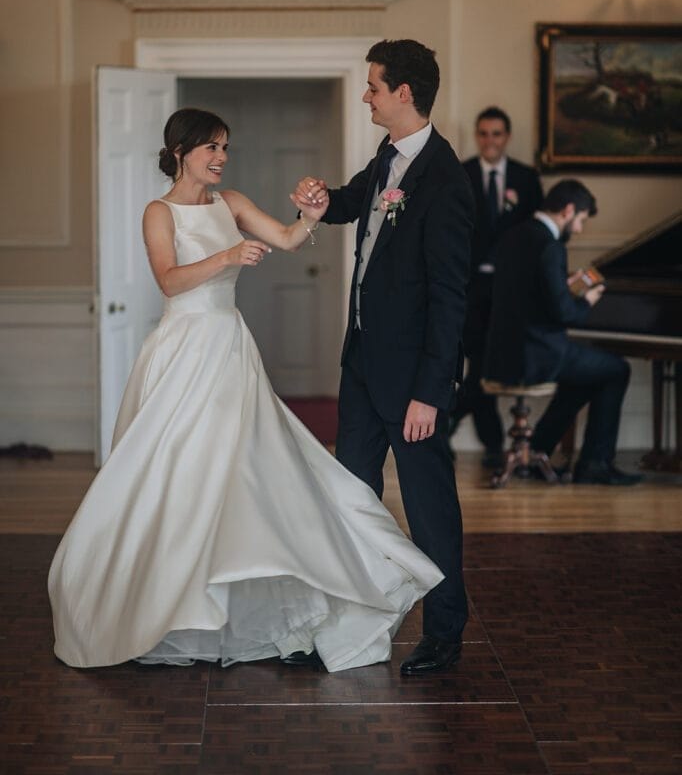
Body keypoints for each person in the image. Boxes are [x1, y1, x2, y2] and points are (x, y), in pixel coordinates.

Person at [48, 107, 445, 672]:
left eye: (225, 148)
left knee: (246, 473)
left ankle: (238, 598)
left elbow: (285, 238)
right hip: (181, 350)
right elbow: (169, 279)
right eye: (212, 148)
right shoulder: (158, 212)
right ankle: (166, 600)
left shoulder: (230, 203)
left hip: (230, 349)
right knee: (177, 471)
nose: (221, 159)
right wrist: (229, 255)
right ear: (182, 150)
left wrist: (309, 216)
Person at [293, 39, 474, 675]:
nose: (366, 96)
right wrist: (321, 201)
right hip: (363, 365)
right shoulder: (388, 158)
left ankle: (445, 632)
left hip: (413, 384)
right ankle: (351, 626)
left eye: (373, 86)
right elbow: (356, 205)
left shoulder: (446, 180)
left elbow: (452, 299)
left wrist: (431, 391)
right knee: (352, 499)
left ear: (404, 92)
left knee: (429, 510)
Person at [484, 179, 642, 486]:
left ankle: (540, 448)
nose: (580, 228)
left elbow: (526, 295)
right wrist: (586, 300)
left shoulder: (513, 235)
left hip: (502, 353)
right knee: (616, 369)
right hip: (535, 354)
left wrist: (561, 287)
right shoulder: (550, 246)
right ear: (569, 210)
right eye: (581, 219)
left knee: (585, 377)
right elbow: (564, 314)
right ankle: (595, 463)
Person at [450, 107, 543, 467]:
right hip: (469, 287)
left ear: (507, 137)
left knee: (489, 364)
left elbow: (537, 235)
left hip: (511, 289)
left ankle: (458, 422)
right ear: (477, 136)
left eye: (497, 134)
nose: (490, 140)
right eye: (484, 133)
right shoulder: (461, 174)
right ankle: (491, 443)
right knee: (479, 361)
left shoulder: (526, 178)